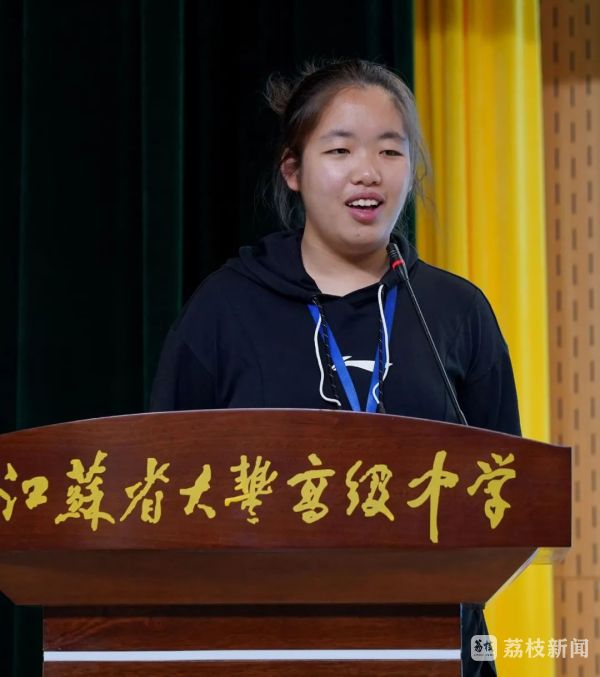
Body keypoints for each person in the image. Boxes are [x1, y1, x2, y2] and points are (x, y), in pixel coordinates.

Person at [150, 58, 519, 675]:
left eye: (390, 151)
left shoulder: (455, 310)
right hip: (263, 648)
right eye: (340, 149)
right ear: (293, 171)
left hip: (433, 649)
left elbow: (508, 488)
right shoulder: (225, 308)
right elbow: (162, 485)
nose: (368, 172)